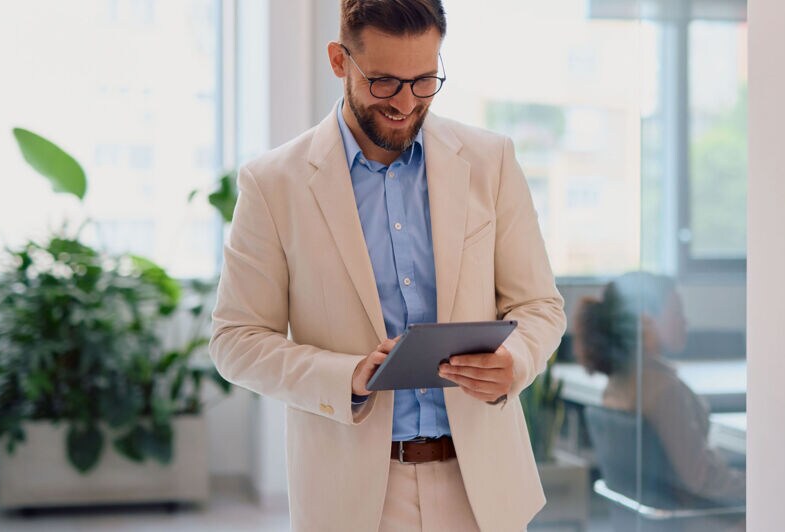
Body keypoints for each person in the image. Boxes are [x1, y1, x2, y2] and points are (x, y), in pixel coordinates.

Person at [208, 1, 565, 530]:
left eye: (424, 80)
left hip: (484, 490)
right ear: (339, 61)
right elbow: (235, 340)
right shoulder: (273, 183)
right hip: (353, 499)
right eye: (383, 82)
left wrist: (516, 359)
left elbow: (539, 305)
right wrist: (346, 375)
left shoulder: (490, 161)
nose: (405, 102)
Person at [577, 272, 746, 509]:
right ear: (646, 319)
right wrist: (762, 486)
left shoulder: (618, 381)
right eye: (677, 312)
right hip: (696, 519)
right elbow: (704, 480)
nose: (686, 321)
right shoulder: (663, 390)